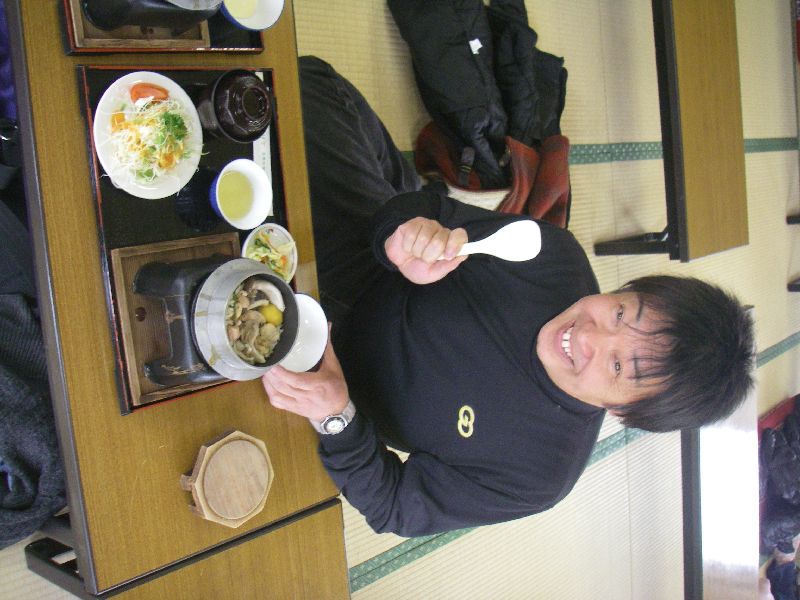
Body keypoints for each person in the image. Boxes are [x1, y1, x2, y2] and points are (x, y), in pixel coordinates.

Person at [261, 56, 755, 538]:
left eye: (619, 366)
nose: (588, 336)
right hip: (363, 265)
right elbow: (429, 213)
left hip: (325, 387)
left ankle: (389, 173)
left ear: (624, 412)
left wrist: (338, 417)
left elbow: (396, 506)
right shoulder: (554, 257)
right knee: (296, 85)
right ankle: (390, 177)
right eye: (621, 313)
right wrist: (404, 236)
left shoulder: (539, 474)